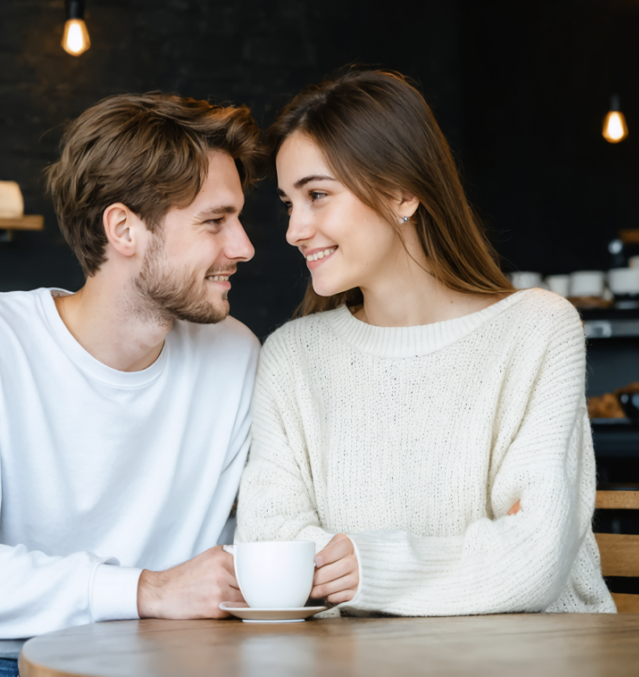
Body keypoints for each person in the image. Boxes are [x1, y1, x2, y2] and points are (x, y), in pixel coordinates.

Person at [0, 92, 266, 677]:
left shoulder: (233, 356)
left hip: (132, 661)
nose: (244, 247)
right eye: (215, 222)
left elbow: (249, 536)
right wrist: (147, 590)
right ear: (124, 230)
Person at [236, 71, 615, 616]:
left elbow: (533, 556)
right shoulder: (293, 357)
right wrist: (461, 561)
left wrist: (373, 568)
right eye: (289, 204)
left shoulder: (537, 329)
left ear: (401, 193)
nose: (295, 229)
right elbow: (270, 545)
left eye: (317, 195)